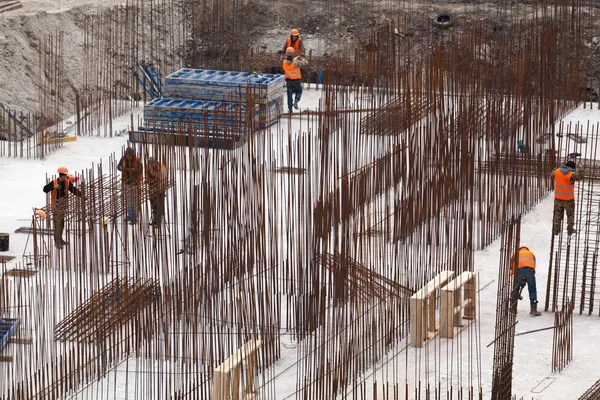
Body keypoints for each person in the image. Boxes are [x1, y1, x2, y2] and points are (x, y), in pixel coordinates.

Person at [42, 166, 82, 248]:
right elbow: (45, 189)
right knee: (57, 225)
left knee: (62, 224)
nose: (66, 177)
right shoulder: (54, 182)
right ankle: (57, 242)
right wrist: (53, 187)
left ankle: (60, 239)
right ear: (61, 175)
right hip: (55, 206)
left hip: (63, 205)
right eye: (64, 175)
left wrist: (82, 195)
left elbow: (74, 190)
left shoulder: (67, 182)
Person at [551, 160, 585, 235]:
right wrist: (580, 166)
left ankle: (556, 230)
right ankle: (570, 230)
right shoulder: (571, 174)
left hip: (558, 198)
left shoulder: (557, 171)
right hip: (568, 199)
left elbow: (552, 174)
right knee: (570, 215)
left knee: (557, 214)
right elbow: (581, 176)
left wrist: (556, 168)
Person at [510, 245, 541, 316]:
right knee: (532, 289)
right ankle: (533, 309)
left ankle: (513, 308)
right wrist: (526, 278)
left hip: (519, 270)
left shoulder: (516, 253)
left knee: (516, 288)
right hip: (530, 270)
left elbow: (511, 265)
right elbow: (533, 265)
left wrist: (520, 280)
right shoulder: (531, 254)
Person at [117, 147, 143, 224]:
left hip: (135, 183)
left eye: (130, 155)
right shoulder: (123, 159)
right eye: (127, 155)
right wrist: (122, 168)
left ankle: (135, 217)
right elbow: (118, 166)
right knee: (128, 200)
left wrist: (134, 170)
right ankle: (130, 215)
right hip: (126, 182)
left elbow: (141, 170)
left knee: (134, 200)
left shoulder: (137, 160)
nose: (128, 157)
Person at [282, 47, 307, 113]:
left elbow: (291, 61)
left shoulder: (284, 62)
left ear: (286, 54)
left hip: (289, 81)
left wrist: (296, 58)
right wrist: (301, 57)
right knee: (299, 91)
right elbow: (305, 62)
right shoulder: (296, 63)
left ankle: (290, 109)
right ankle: (296, 100)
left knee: (289, 95)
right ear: (293, 54)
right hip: (296, 80)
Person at [146, 157, 167, 227]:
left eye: (152, 164)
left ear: (155, 162)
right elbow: (148, 176)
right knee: (153, 205)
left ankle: (158, 221)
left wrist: (156, 188)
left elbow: (163, 181)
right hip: (152, 189)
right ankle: (155, 220)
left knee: (158, 205)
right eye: (150, 164)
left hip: (159, 190)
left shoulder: (162, 168)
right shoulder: (150, 167)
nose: (151, 165)